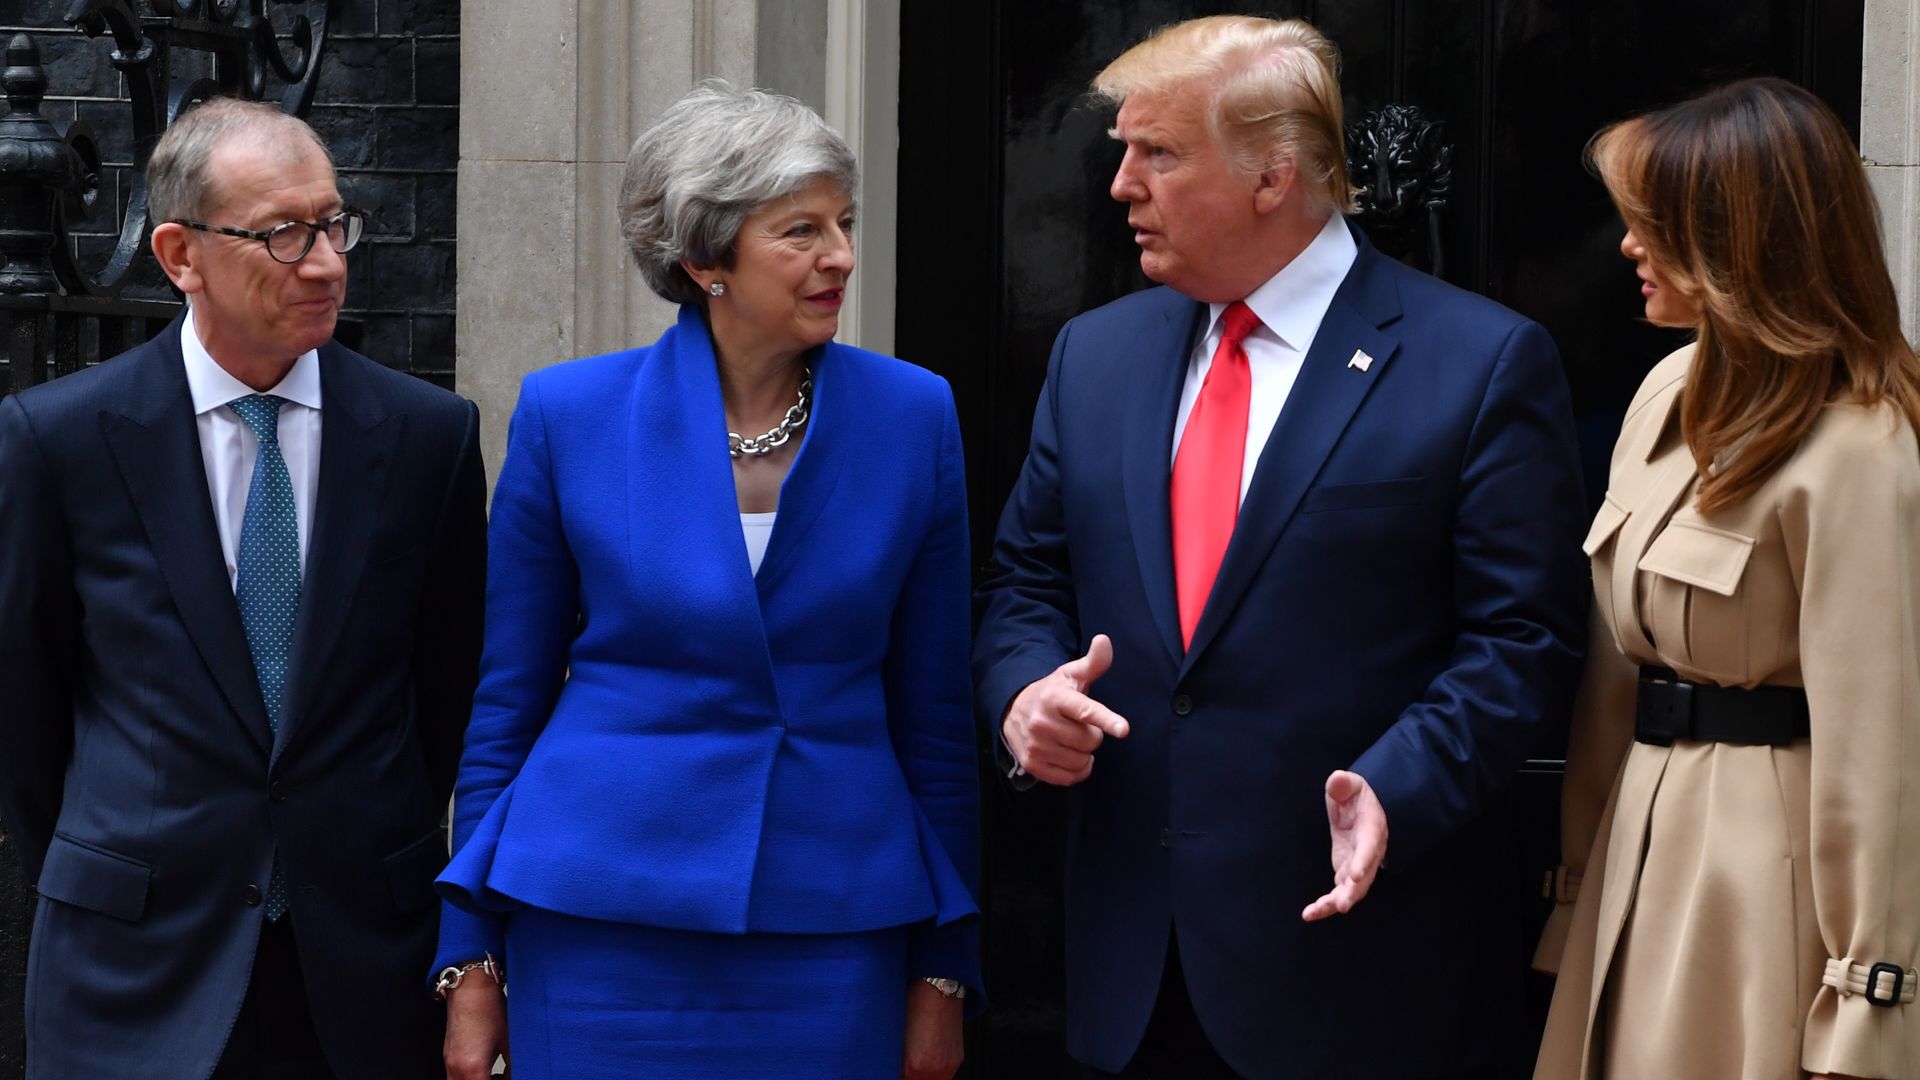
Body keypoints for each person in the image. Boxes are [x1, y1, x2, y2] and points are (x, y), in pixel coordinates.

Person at [973, 16, 1589, 1079]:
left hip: (1358, 971)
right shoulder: (1096, 356)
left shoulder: (1479, 363)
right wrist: (1025, 695)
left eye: (1156, 153)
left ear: (1274, 175)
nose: (1121, 185)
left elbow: (1523, 642)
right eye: (1123, 150)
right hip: (1129, 975)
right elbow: (1026, 579)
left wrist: (1397, 784)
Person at [434, 81, 981, 1080]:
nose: (842, 257)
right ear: (704, 259)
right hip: (595, 910)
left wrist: (945, 971)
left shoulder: (916, 417)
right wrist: (465, 951)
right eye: (801, 231)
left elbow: (936, 716)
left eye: (845, 224)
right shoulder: (570, 415)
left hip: (835, 914)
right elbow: (506, 703)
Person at [0, 98, 486, 1079]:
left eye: (333, 223)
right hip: (132, 965)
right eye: (283, 234)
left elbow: (449, 694)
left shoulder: (430, 437)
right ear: (181, 254)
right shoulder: (60, 439)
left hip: (360, 963)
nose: (327, 262)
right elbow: (26, 704)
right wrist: (125, 853)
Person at [1533, 77, 1920, 1080]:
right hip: (1635, 848)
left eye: (1655, 225)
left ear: (1739, 242)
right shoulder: (1667, 391)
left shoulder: (1861, 448)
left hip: (1763, 877)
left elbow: (1877, 749)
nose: (1627, 247)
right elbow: (1611, 677)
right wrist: (1575, 891)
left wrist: (1868, 992)